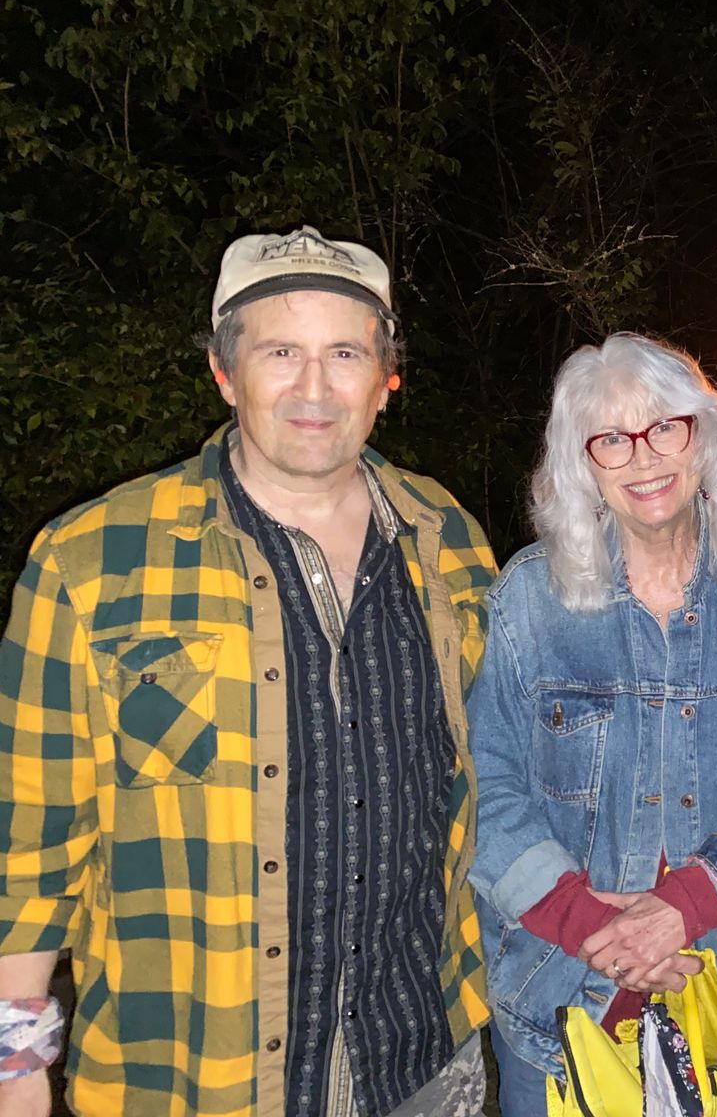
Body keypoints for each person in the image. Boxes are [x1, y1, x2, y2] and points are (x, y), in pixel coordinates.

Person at [0, 226, 499, 1116]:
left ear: (386, 378)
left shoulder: (450, 540)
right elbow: (29, 844)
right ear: (224, 372)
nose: (314, 387)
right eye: (279, 352)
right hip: (195, 1083)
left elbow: (487, 779)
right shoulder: (90, 560)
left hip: (425, 1063)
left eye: (344, 353)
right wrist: (16, 1062)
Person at [467, 332, 717, 1115]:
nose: (642, 457)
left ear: (707, 436)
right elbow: (484, 786)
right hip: (558, 994)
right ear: (582, 466)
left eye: (664, 426)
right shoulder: (528, 602)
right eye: (610, 439)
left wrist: (688, 904)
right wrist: (593, 929)